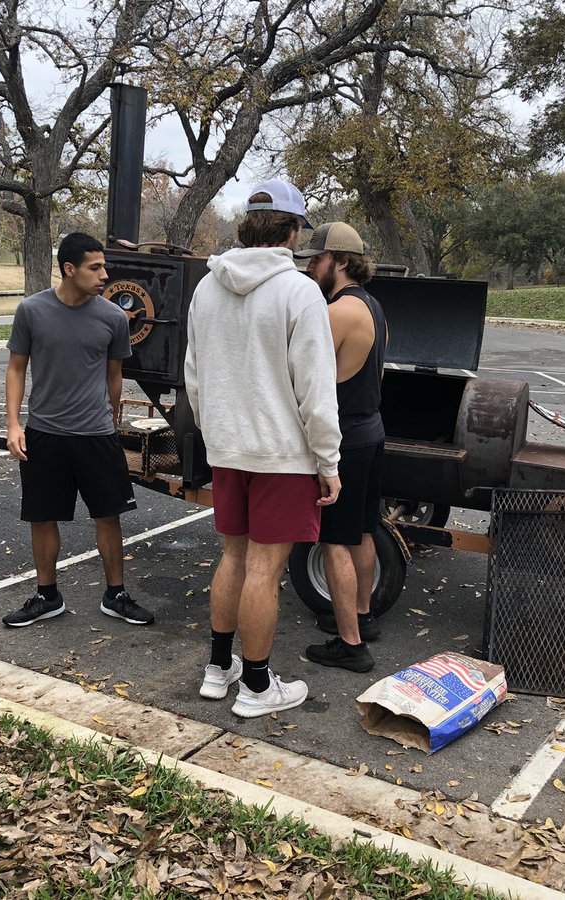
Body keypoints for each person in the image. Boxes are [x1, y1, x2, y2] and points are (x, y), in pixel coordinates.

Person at [184, 179, 342, 718]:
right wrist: (329, 462)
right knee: (264, 571)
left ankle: (217, 667)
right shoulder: (300, 292)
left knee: (232, 556)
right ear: (294, 231)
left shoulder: (207, 288)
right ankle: (255, 686)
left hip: (228, 447)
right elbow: (316, 391)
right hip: (281, 453)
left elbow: (194, 376)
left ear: (245, 227)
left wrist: (215, 432)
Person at [1, 232, 154, 628]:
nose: (105, 274)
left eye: (104, 266)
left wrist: (112, 419)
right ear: (69, 269)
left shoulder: (113, 317)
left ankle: (115, 595)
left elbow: (114, 376)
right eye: (95, 267)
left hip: (96, 435)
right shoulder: (31, 311)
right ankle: (46, 596)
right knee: (42, 517)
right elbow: (16, 368)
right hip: (45, 434)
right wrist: (13, 423)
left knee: (109, 515)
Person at [294, 222, 387, 673]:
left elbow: (304, 379)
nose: (310, 265)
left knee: (334, 540)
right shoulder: (373, 306)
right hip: (371, 430)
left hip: (345, 439)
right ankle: (363, 617)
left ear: (342, 261)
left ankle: (350, 644)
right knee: (363, 531)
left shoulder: (337, 312)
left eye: (317, 258)